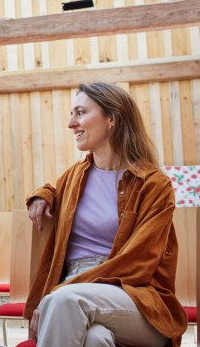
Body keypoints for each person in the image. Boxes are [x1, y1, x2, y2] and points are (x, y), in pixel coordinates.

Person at [25, 82, 187, 347]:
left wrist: (63, 290)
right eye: (71, 114)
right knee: (95, 339)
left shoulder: (153, 184)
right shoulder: (73, 177)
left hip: (135, 296)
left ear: (112, 118)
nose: (71, 123)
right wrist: (42, 195)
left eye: (80, 112)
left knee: (65, 301)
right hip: (76, 292)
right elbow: (57, 192)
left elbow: (139, 261)